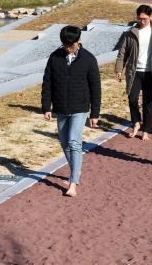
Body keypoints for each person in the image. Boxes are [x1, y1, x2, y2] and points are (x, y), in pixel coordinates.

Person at [42, 25, 101, 197]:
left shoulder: (89, 59)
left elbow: (95, 87)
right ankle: (76, 168)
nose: (68, 49)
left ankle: (73, 183)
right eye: (65, 45)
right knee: (64, 143)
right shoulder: (55, 57)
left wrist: (95, 113)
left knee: (74, 142)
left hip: (80, 107)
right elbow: (47, 83)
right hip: (60, 107)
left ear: (78, 41)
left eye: (71, 45)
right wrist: (46, 106)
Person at [115, 4, 152, 141]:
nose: (142, 21)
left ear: (150, 17)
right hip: (134, 72)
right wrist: (118, 69)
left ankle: (146, 130)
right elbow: (122, 53)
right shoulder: (130, 33)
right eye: (139, 19)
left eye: (145, 19)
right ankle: (136, 122)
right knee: (132, 98)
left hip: (151, 72)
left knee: (148, 102)